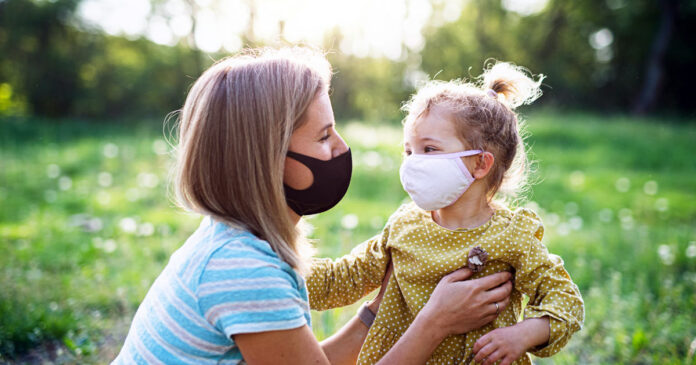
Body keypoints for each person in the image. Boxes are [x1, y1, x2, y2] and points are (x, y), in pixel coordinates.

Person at [112, 47, 513, 365]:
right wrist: (434, 323)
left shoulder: (236, 238)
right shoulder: (244, 270)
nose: (341, 148)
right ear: (266, 158)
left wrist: (379, 305)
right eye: (323, 137)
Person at [306, 62, 584, 365]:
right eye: (409, 151)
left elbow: (565, 302)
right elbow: (344, 278)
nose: (413, 162)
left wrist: (523, 334)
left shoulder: (512, 234)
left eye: (430, 149)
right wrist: (279, 266)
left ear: (480, 164)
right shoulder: (404, 225)